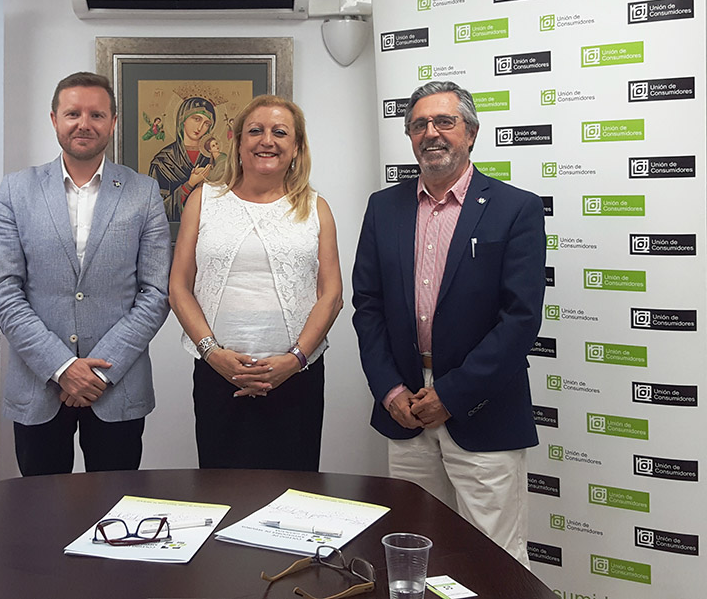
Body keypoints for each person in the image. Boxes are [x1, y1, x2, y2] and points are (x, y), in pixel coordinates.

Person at [352, 81, 546, 566]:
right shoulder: (383, 207)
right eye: (419, 125)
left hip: (483, 408)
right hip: (405, 410)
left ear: (471, 133)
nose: (431, 133)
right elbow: (367, 306)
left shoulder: (515, 208)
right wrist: (389, 389)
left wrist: (452, 395)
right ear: (409, 136)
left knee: (494, 559)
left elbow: (520, 319)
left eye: (444, 121)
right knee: (413, 550)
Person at [0, 71, 171, 476]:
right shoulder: (17, 190)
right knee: (41, 506)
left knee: (114, 503)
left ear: (113, 122)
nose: (84, 124)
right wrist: (62, 367)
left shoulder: (144, 192)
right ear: (54, 119)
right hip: (39, 384)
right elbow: (4, 290)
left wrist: (99, 372)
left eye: (96, 115)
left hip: (117, 386)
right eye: (73, 114)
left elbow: (156, 293)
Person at [170, 94, 343, 471]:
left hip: (296, 377)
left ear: (296, 147)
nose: (267, 140)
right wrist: (212, 353)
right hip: (219, 374)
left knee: (294, 493)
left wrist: (294, 360)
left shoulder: (316, 208)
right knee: (222, 490)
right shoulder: (203, 200)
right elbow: (179, 287)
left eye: (280, 132)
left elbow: (331, 296)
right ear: (237, 142)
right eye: (255, 131)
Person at [148, 96, 216, 221]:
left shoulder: (213, 159)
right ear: (183, 119)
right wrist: (189, 185)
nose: (200, 127)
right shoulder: (163, 161)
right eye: (196, 119)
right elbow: (155, 211)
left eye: (207, 124)